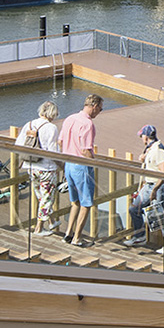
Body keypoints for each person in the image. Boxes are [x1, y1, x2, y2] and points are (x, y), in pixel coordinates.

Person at [57, 93, 103, 246]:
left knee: (75, 202)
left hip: (69, 164)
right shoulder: (87, 124)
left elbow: (60, 141)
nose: (99, 112)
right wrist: (94, 163)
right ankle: (77, 238)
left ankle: (68, 234)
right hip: (81, 166)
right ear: (94, 106)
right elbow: (85, 150)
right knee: (86, 203)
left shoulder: (70, 118)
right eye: (100, 109)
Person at [126, 125, 164, 255]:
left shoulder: (159, 150)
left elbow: (163, 173)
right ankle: (140, 236)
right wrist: (144, 158)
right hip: (148, 185)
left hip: (157, 186)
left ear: (146, 136)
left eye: (141, 136)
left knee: (159, 215)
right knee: (134, 209)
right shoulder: (150, 148)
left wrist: (155, 190)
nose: (141, 138)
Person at [16, 100, 62, 236]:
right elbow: (52, 151)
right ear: (52, 113)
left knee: (41, 196)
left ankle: (51, 221)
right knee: (46, 197)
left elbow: (18, 143)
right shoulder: (51, 128)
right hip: (46, 167)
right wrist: (62, 165)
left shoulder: (29, 124)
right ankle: (39, 228)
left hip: (31, 165)